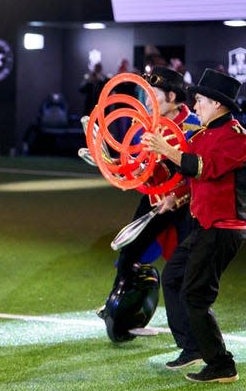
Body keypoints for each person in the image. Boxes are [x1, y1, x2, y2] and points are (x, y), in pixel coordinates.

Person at [143, 68, 246, 384]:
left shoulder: (236, 137)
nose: (196, 105)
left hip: (223, 228)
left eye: (200, 100)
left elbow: (204, 167)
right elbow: (188, 172)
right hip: (205, 225)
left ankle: (221, 363)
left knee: (196, 295)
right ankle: (192, 348)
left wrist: (167, 149)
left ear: (218, 104)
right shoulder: (202, 135)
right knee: (174, 278)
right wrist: (174, 196)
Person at [93, 67, 202, 353]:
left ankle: (194, 331)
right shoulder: (149, 122)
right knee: (129, 251)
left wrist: (176, 197)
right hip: (154, 201)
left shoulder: (193, 125)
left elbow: (197, 173)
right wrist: (128, 170)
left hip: (184, 207)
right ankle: (120, 311)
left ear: (172, 96)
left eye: (154, 94)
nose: (149, 98)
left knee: (186, 270)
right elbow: (141, 160)